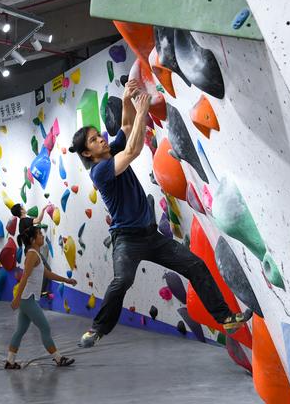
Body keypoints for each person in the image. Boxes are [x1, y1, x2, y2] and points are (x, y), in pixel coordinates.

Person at [69, 80, 251, 348]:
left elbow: (126, 127)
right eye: (94, 140)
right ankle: (97, 329)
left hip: (151, 237)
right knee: (123, 280)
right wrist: (142, 110)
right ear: (87, 153)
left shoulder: (110, 152)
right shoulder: (100, 171)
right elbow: (133, 149)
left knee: (195, 265)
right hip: (127, 240)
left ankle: (226, 318)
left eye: (99, 135)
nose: (101, 139)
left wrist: (126, 98)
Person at [5, 218, 77, 369]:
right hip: (27, 299)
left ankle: (10, 362)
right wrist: (17, 299)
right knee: (45, 328)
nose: (42, 235)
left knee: (20, 330)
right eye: (39, 234)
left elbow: (47, 274)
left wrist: (67, 280)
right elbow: (24, 277)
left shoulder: (35, 255)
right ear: (33, 240)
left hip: (27, 299)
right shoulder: (32, 254)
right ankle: (58, 359)